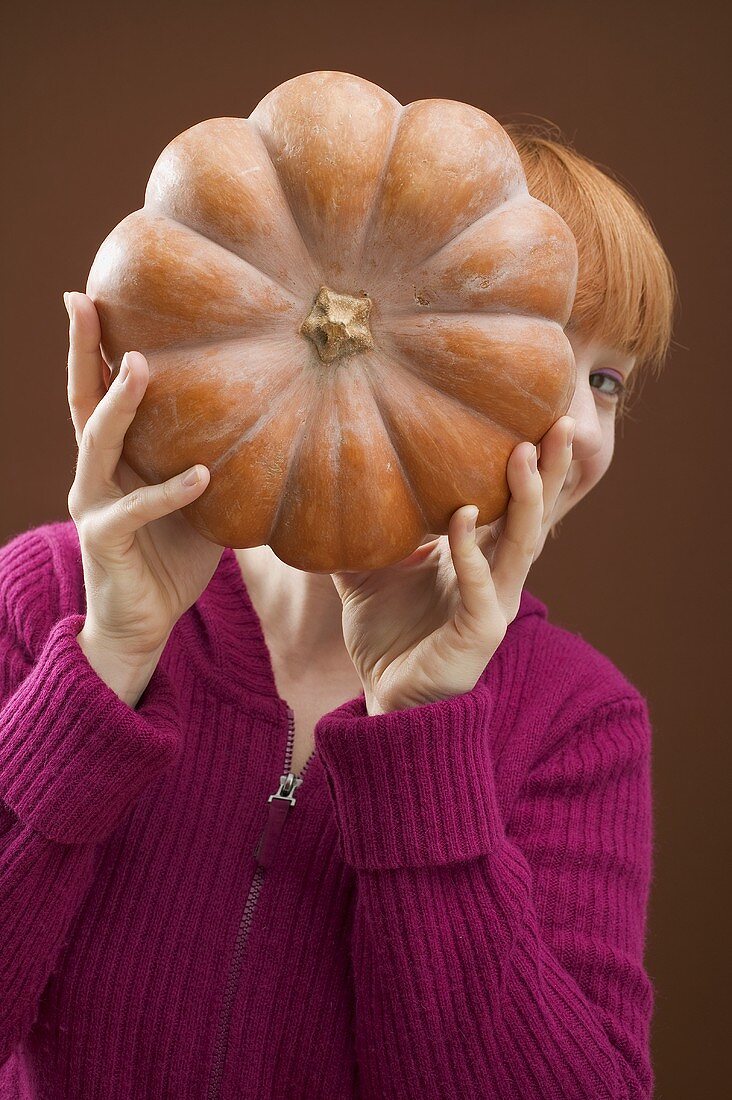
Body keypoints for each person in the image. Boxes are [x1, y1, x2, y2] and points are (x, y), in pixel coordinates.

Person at [0, 121, 676, 1099]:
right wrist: (106, 661)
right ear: (375, 331)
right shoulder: (51, 596)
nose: (577, 424)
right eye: (533, 348)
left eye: (607, 380)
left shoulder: (581, 717)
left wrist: (422, 739)